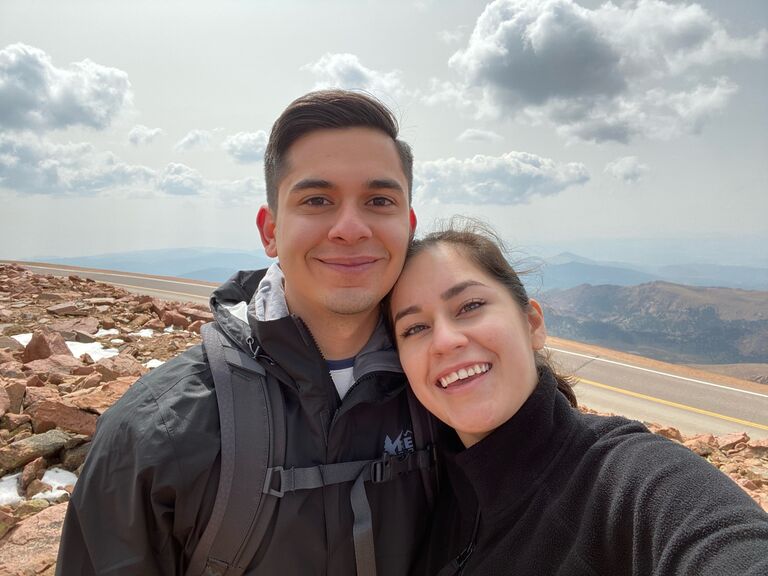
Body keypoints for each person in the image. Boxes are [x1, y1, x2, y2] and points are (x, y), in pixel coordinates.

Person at [56, 90, 436, 575]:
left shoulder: (451, 392)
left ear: (408, 224)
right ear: (270, 230)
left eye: (379, 200)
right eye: (317, 199)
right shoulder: (155, 432)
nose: (350, 227)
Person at [387, 218, 768, 575]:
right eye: (415, 327)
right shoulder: (426, 492)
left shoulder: (628, 478)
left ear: (532, 323)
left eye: (470, 306)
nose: (445, 340)